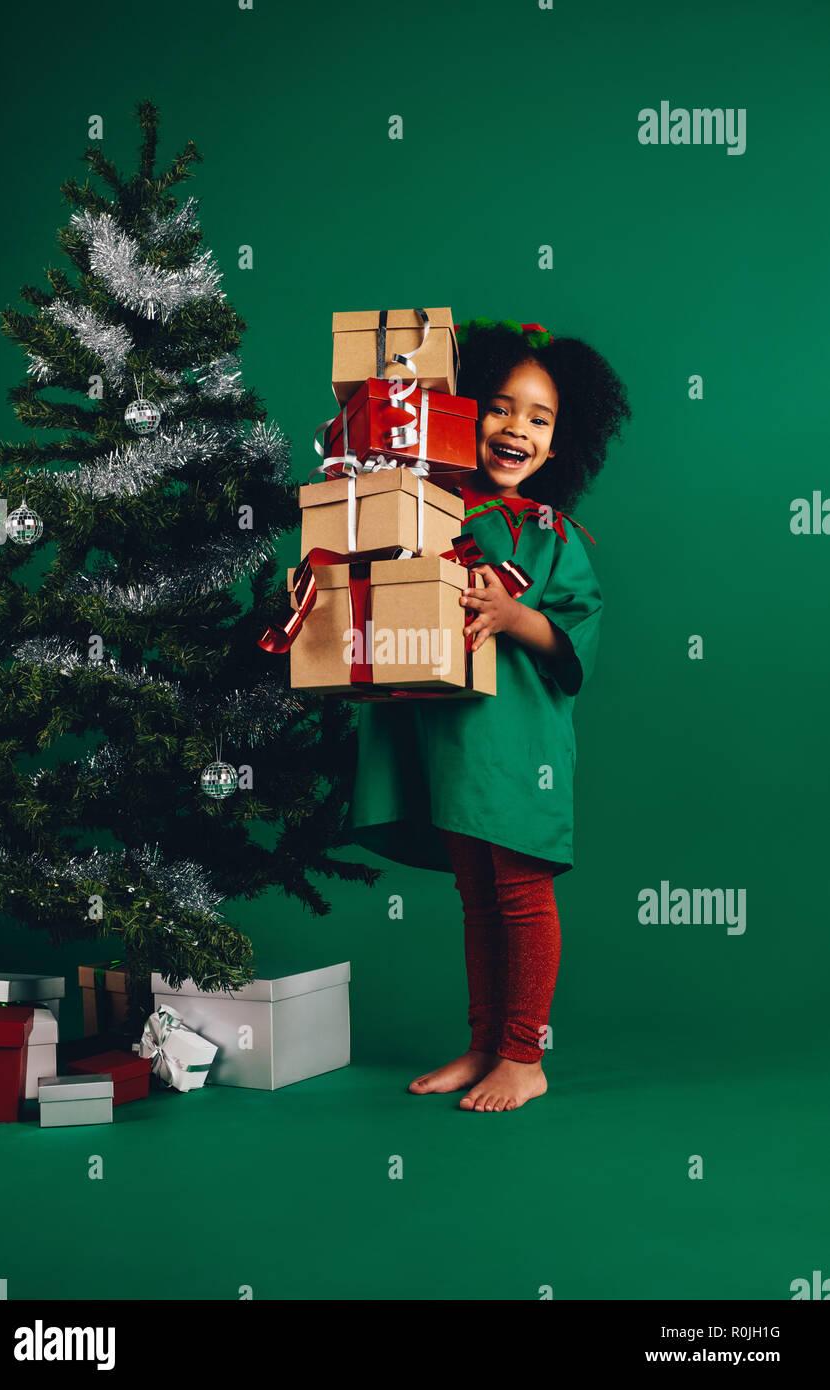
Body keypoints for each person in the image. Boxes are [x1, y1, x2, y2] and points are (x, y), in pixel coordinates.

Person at [349, 318, 632, 1111]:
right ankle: (483, 1044)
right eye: (502, 409)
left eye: (539, 420)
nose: (517, 429)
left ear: (559, 443)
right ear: (463, 413)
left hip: (518, 749)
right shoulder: (432, 511)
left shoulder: (552, 537)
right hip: (450, 748)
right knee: (477, 898)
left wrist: (515, 617)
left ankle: (524, 1055)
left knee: (521, 894)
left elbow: (575, 632)